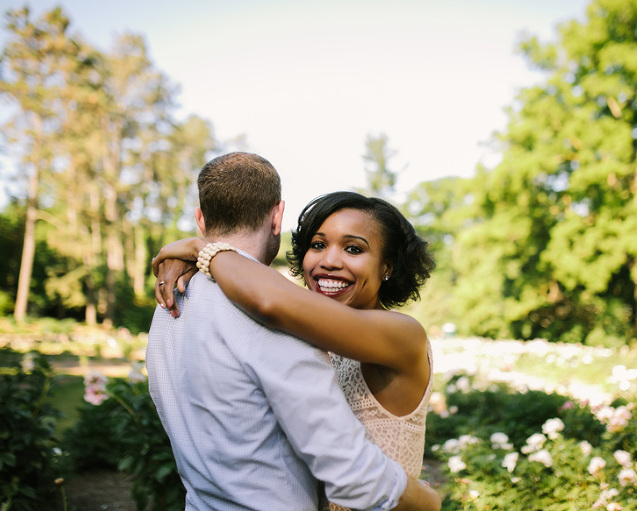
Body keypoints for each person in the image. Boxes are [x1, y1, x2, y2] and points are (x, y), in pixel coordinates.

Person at [146, 152, 440, 511]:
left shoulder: (402, 334)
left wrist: (201, 247)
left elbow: (271, 300)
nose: (329, 260)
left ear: (387, 266)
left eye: (353, 248)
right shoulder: (312, 328)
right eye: (318, 245)